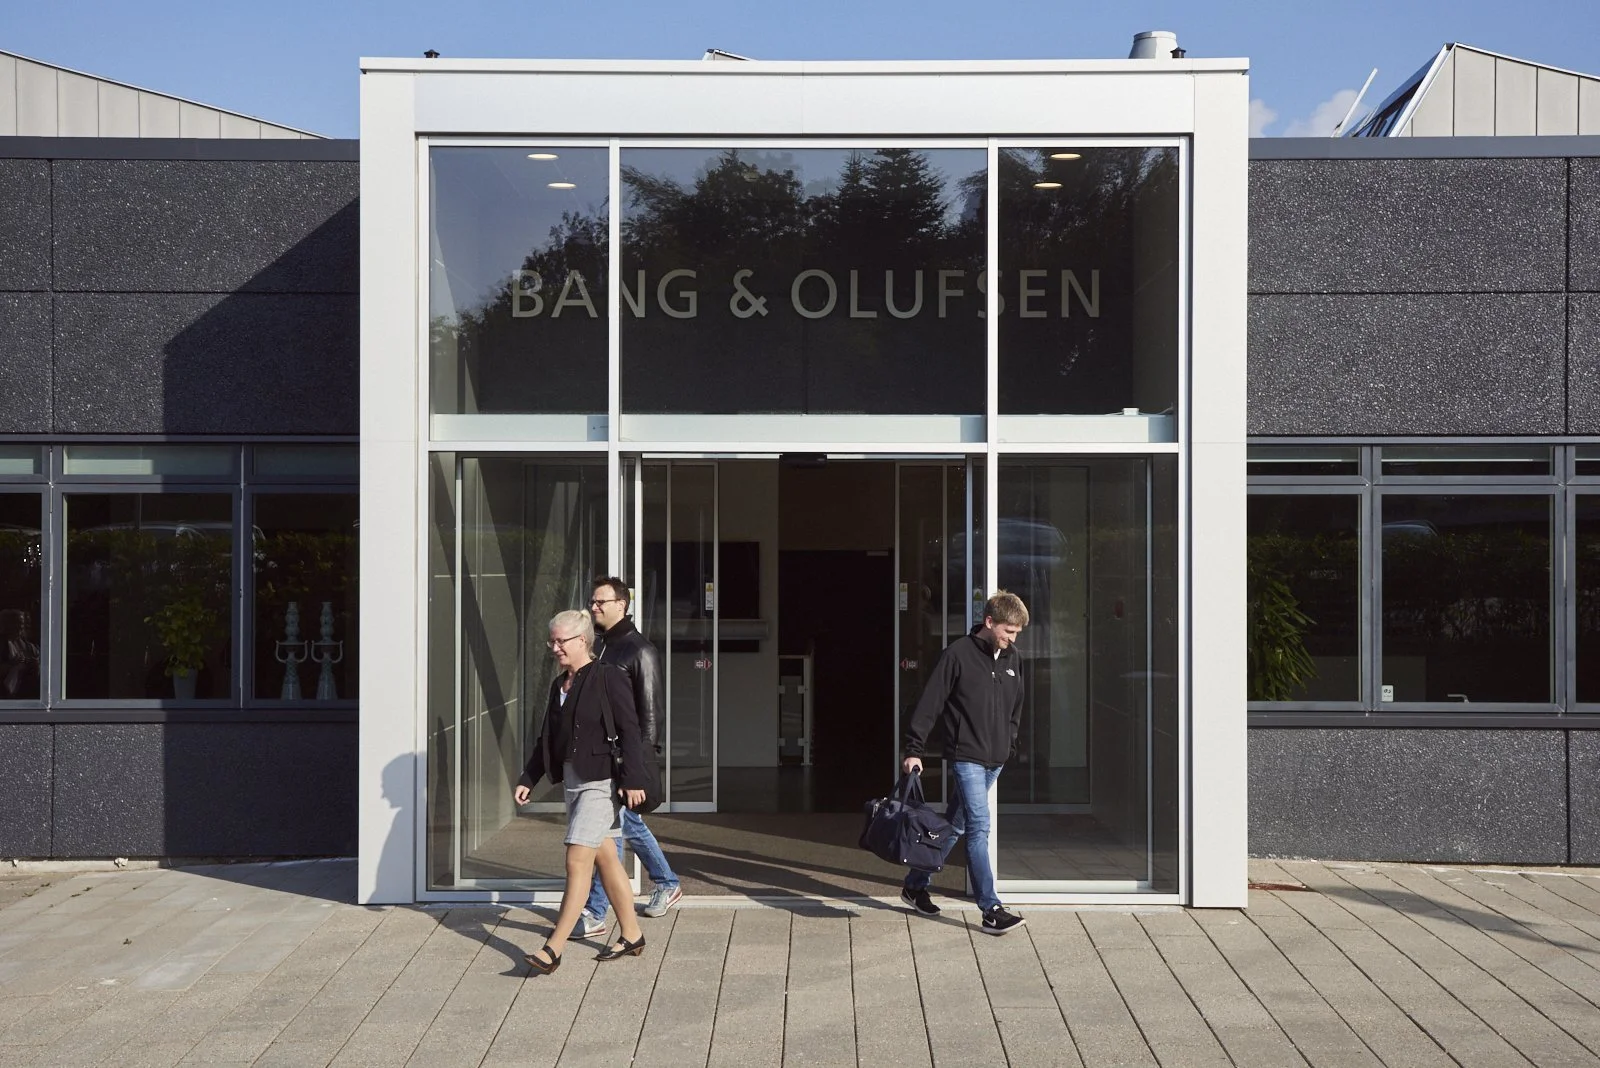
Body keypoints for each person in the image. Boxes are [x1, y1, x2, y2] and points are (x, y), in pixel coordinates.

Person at [514, 610, 649, 974]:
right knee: (606, 859)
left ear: (583, 641)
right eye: (552, 641)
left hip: (600, 782)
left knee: (577, 860)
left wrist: (634, 779)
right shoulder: (559, 685)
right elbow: (547, 738)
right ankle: (632, 934)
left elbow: (630, 729)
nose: (555, 647)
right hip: (573, 783)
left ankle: (553, 949)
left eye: (561, 641)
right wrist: (529, 777)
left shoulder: (608, 676)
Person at [899, 590, 1030, 935]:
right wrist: (913, 749)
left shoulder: (1013, 658)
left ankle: (915, 884)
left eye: (1017, 633)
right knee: (979, 826)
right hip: (966, 756)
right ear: (989, 622)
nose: (1013, 639)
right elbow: (930, 703)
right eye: (1009, 631)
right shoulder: (957, 654)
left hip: (995, 759)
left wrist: (1009, 744)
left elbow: (1016, 708)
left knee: (956, 826)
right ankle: (991, 909)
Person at [580, 577, 682, 936]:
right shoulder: (601, 647)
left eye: (601, 602)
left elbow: (651, 715)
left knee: (611, 829)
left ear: (621, 605)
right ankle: (666, 882)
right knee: (620, 825)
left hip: (626, 759)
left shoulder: (640, 650)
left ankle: (595, 910)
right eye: (592, 601)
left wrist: (639, 767)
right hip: (605, 755)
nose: (594, 607)